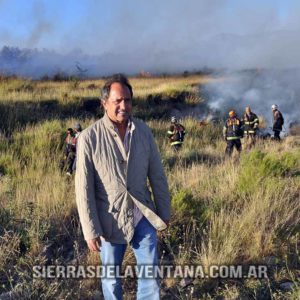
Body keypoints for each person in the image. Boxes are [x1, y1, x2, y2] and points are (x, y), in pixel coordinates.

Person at [75, 74, 171, 300]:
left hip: (142, 214)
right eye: (117, 101)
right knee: (111, 280)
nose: (123, 106)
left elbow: (157, 175)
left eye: (127, 100)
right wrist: (90, 229)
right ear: (104, 103)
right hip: (110, 221)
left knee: (150, 276)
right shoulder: (89, 138)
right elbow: (83, 188)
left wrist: (164, 213)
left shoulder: (143, 131)